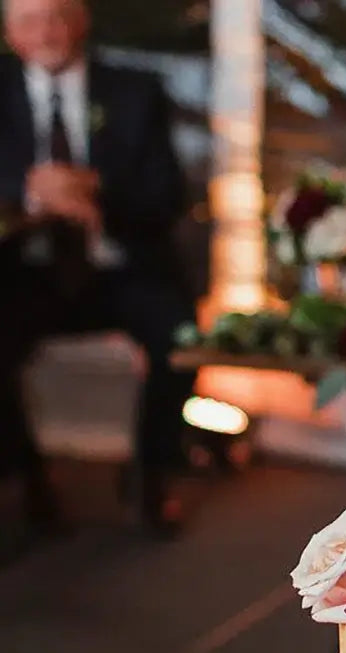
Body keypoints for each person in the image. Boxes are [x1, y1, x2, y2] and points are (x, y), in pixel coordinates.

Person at [0, 0, 196, 537]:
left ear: (81, 20)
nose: (46, 32)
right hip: (27, 274)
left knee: (179, 337)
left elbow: (169, 194)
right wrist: (30, 192)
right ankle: (28, 473)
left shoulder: (135, 91)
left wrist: (97, 194)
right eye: (30, 20)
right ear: (10, 33)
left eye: (57, 16)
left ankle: (155, 473)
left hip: (122, 268)